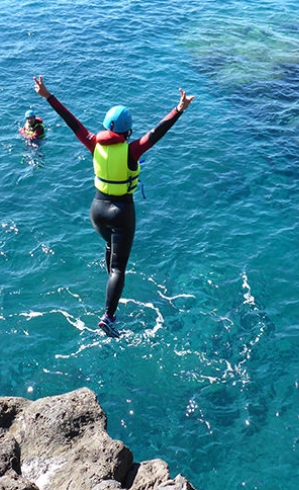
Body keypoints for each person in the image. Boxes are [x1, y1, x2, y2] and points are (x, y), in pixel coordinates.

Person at [32, 75, 195, 337]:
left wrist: (47, 95)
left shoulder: (93, 143)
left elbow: (71, 121)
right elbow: (157, 132)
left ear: (107, 126)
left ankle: (110, 279)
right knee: (119, 269)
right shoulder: (132, 151)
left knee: (110, 247)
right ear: (127, 131)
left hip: (96, 211)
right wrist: (179, 109)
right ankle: (108, 317)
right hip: (121, 213)